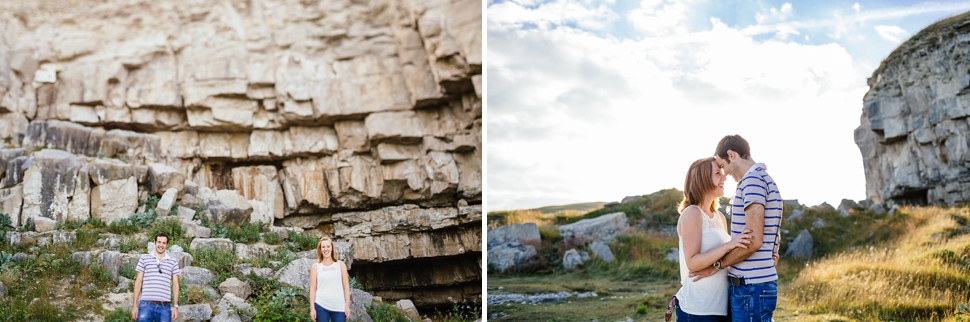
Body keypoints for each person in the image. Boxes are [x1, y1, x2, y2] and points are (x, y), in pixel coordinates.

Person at [697, 134, 784, 322]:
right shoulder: (764, 178)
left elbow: (753, 241)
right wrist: (771, 251)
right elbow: (772, 229)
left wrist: (717, 266)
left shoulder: (752, 181)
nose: (724, 173)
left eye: (723, 165)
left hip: (750, 288)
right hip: (754, 286)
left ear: (731, 154)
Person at [670, 157, 753, 322]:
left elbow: (723, 259)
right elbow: (692, 262)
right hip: (698, 308)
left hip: (722, 306)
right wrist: (728, 246)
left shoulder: (720, 217)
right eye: (718, 174)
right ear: (703, 180)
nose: (724, 178)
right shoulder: (692, 213)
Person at [132, 232, 181, 322]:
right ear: (155, 243)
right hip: (146, 304)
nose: (161, 245)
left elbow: (175, 285)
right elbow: (138, 282)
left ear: (167, 245)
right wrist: (134, 305)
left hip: (165, 306)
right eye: (159, 242)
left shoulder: (173, 262)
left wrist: (176, 306)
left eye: (164, 243)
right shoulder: (144, 258)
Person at [309, 237, 352, 322]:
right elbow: (313, 289)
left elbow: (346, 287)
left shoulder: (341, 265)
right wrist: (312, 309)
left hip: (339, 306)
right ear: (320, 250)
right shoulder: (316, 267)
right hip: (321, 305)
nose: (326, 249)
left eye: (328, 246)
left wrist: (347, 306)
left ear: (332, 248)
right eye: (323, 247)